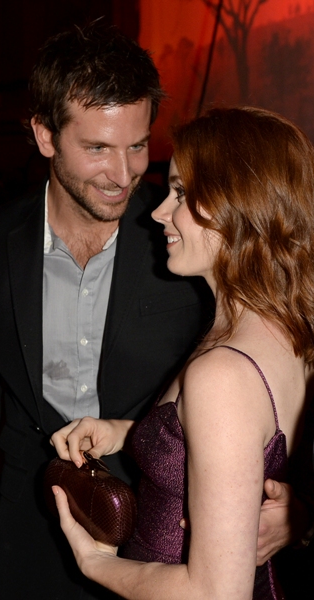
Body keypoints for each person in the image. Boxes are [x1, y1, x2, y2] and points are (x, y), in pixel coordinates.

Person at [0, 22, 297, 600]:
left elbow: (275, 387)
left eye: (137, 145)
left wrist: (299, 508)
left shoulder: (189, 236)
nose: (124, 175)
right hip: (30, 536)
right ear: (45, 136)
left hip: (176, 534)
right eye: (98, 148)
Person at [51, 106, 314, 599]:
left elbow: (215, 593)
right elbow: (235, 443)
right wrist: (125, 433)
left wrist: (96, 564)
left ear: (240, 203)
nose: (157, 212)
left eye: (181, 194)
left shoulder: (225, 373)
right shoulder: (284, 332)